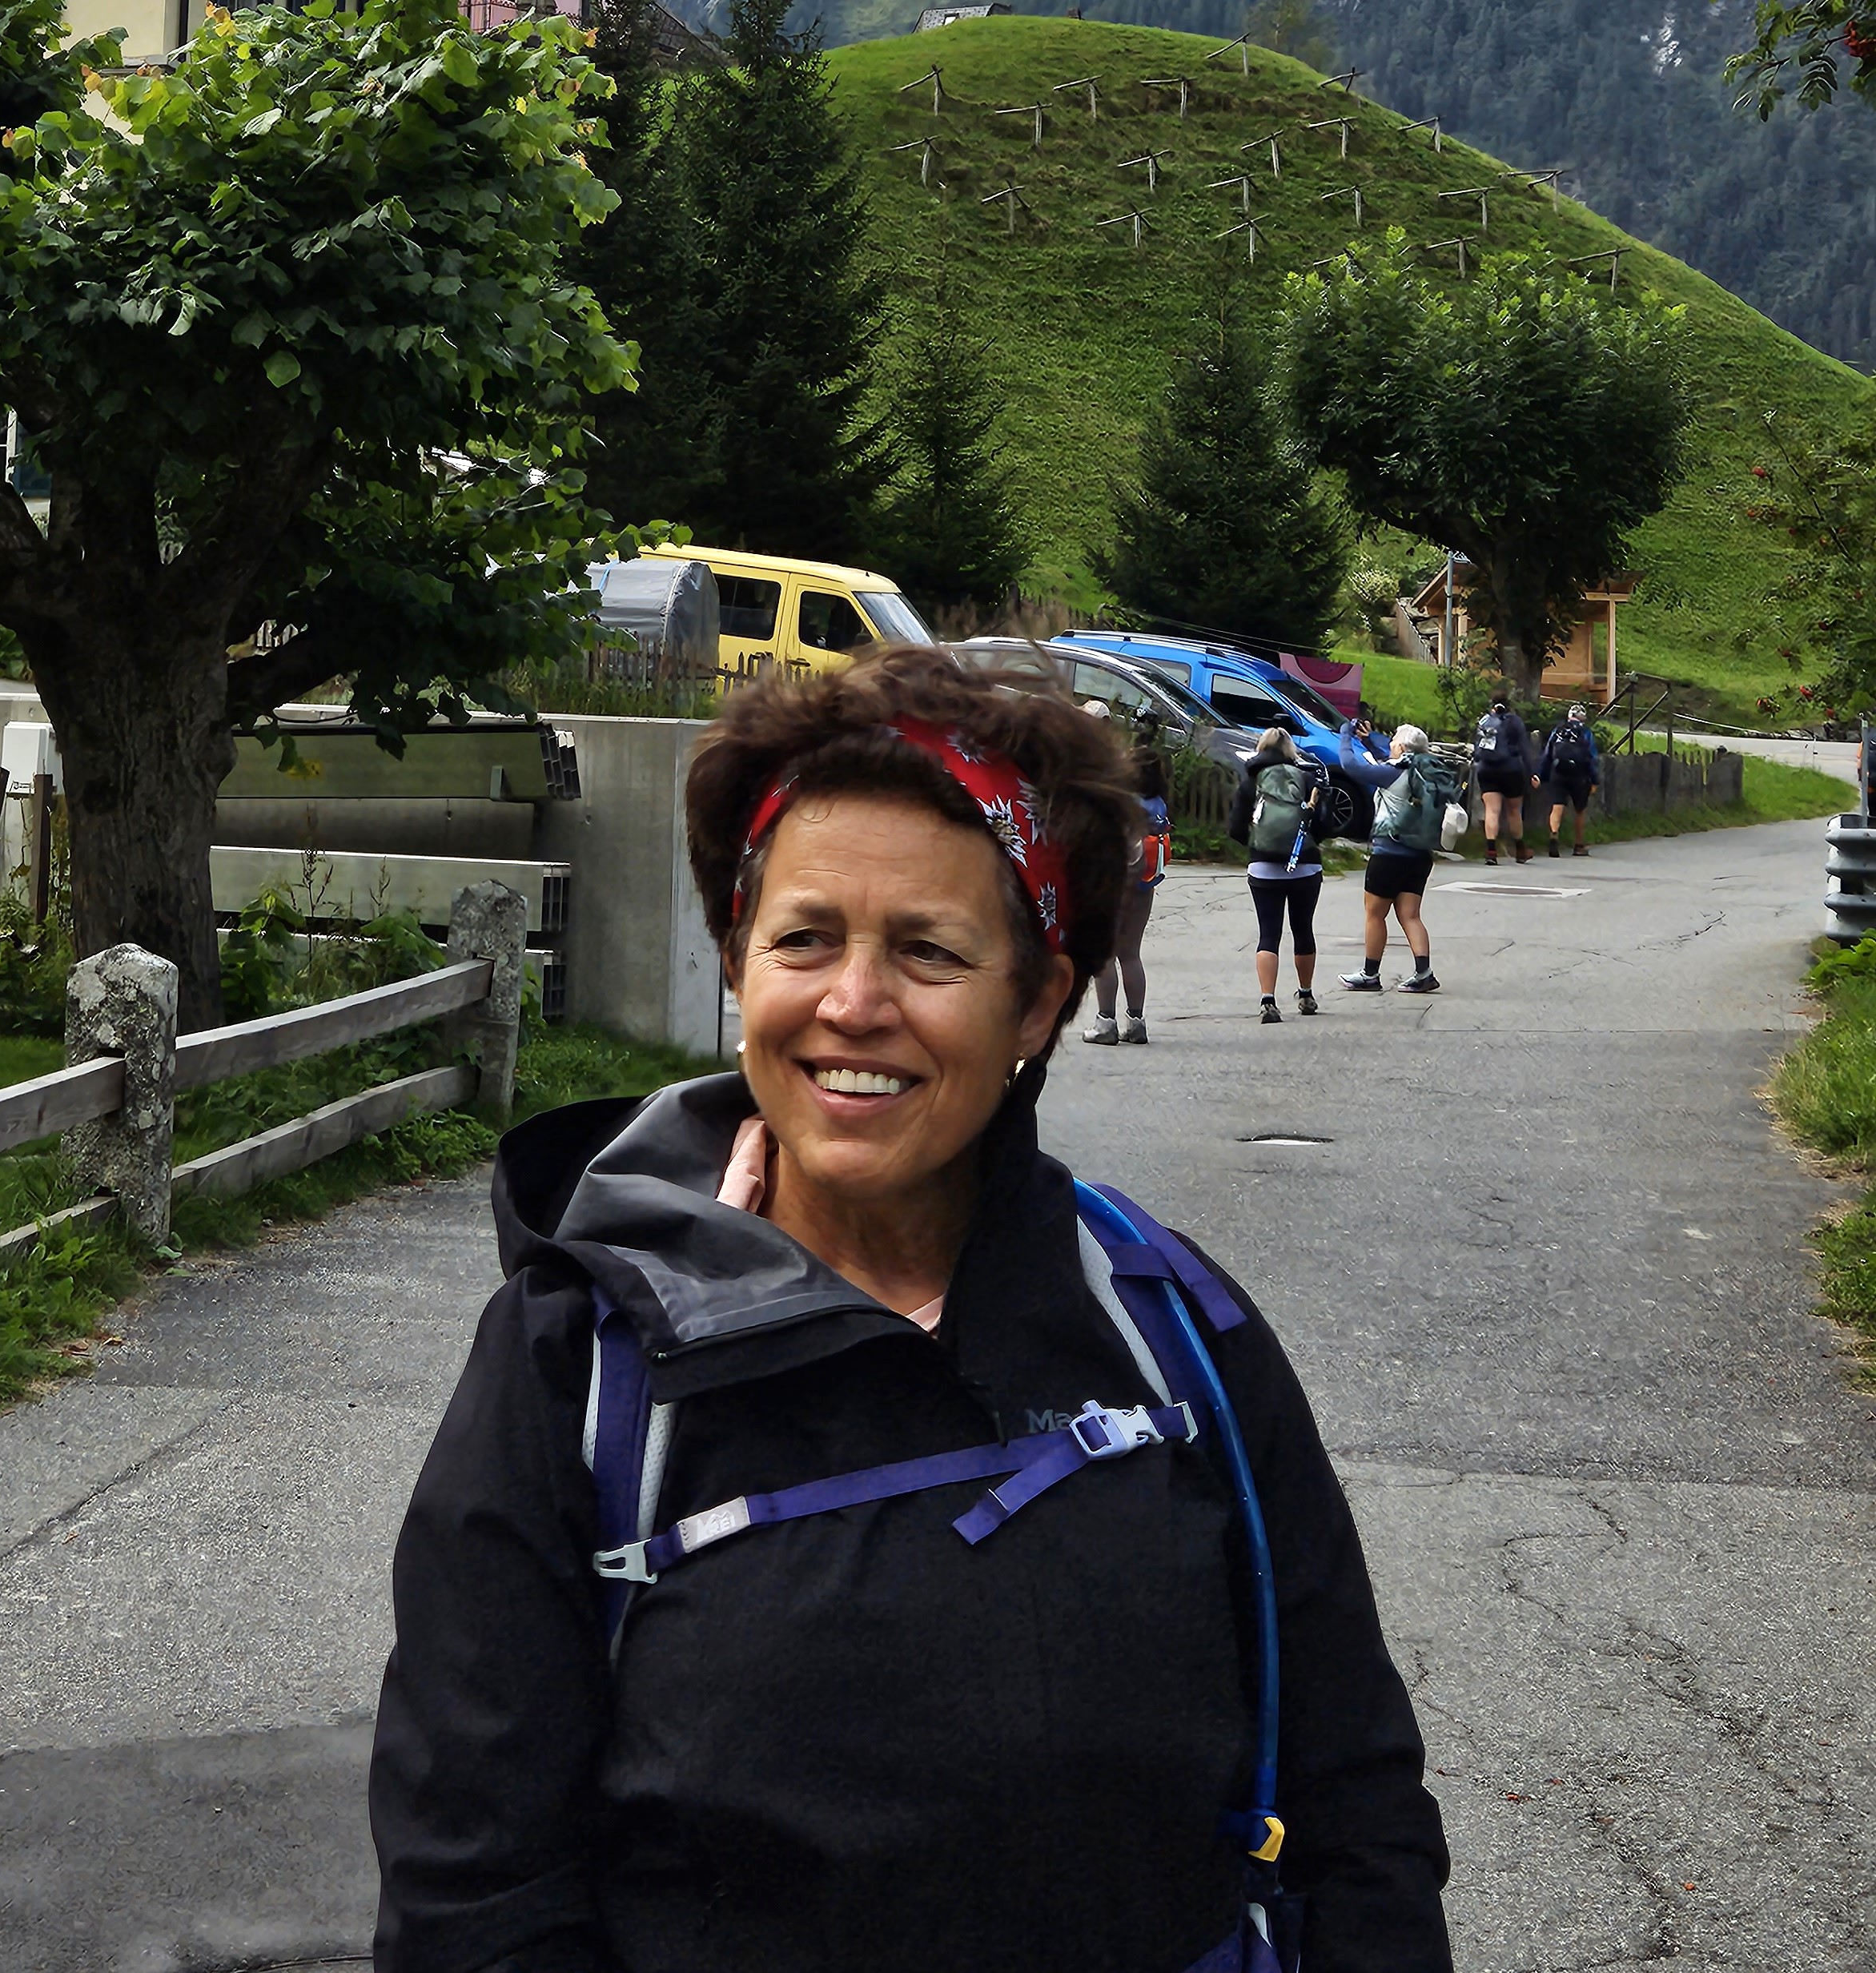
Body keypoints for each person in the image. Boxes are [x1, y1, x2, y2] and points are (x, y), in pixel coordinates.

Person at [368, 649, 1452, 1972]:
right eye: (805, 939)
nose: (853, 1005)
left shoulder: (1172, 1330)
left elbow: (1353, 1800)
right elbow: (476, 1897)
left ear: (1037, 1003)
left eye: (929, 950)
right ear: (739, 959)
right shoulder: (576, 1368)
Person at [1227, 725, 1333, 1023]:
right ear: (1291, 751)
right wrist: (1305, 844)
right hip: (1306, 867)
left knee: (1269, 933)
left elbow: (1235, 828)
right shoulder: (1307, 779)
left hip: (1264, 868)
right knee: (1303, 929)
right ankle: (1306, 994)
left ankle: (1268, 1000)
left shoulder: (1251, 781)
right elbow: (1324, 826)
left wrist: (1258, 845)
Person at [1343, 722, 1451, 994]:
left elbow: (1351, 766)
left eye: (1393, 740)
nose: (1390, 743)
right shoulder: (1425, 772)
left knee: (1374, 914)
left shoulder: (1392, 774)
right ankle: (1424, 973)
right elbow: (1387, 760)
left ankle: (1370, 974)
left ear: (1402, 747)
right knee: (1410, 915)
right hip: (1420, 855)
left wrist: (1345, 735)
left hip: (1389, 854)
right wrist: (1369, 742)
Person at [1082, 729, 1169, 1046]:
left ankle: (1106, 1022)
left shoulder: (1122, 804)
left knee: (1105, 953)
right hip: (1144, 884)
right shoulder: (1158, 805)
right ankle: (1136, 1022)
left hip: (1115, 882)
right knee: (1131, 954)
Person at [1471, 693, 1537, 863]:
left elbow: (1477, 747)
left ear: (1492, 705)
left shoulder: (1484, 721)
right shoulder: (1515, 722)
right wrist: (1532, 773)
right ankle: (1520, 850)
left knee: (1492, 810)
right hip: (1511, 770)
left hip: (1486, 769)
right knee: (1514, 810)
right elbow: (1524, 749)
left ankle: (1491, 851)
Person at [1539, 704, 1600, 855]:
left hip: (1558, 772)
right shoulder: (1585, 732)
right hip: (1579, 775)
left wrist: (1542, 776)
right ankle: (1579, 845)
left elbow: (1547, 754)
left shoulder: (1558, 730)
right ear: (1582, 718)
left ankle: (1554, 836)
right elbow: (1592, 757)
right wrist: (1595, 780)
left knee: (1557, 807)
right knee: (1580, 810)